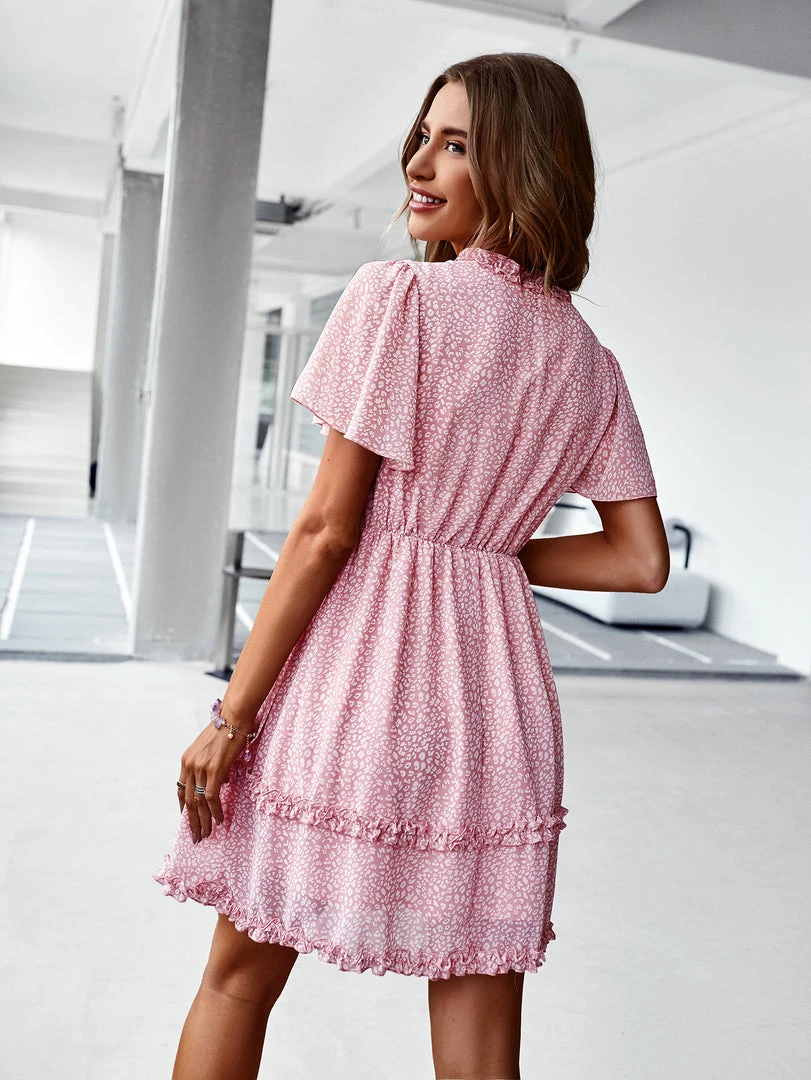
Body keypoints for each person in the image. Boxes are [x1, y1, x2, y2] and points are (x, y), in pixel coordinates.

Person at [154, 51, 670, 1080]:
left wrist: (231, 718)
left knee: (237, 979)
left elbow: (326, 532)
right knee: (480, 1042)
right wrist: (483, 546)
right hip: (496, 714)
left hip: (358, 685)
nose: (418, 165)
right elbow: (639, 559)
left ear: (520, 166)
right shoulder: (590, 364)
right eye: (421, 138)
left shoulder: (400, 301)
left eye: (456, 144)